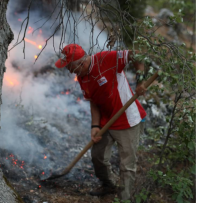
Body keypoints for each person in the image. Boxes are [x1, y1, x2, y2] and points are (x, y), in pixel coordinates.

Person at [54, 44, 147, 201]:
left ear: (81, 63)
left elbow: (137, 55)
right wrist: (95, 126)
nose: (69, 71)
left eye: (70, 67)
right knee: (98, 157)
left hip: (127, 119)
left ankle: (124, 199)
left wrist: (141, 81)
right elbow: (94, 102)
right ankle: (109, 184)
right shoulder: (82, 77)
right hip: (106, 121)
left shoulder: (106, 59)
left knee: (127, 165)